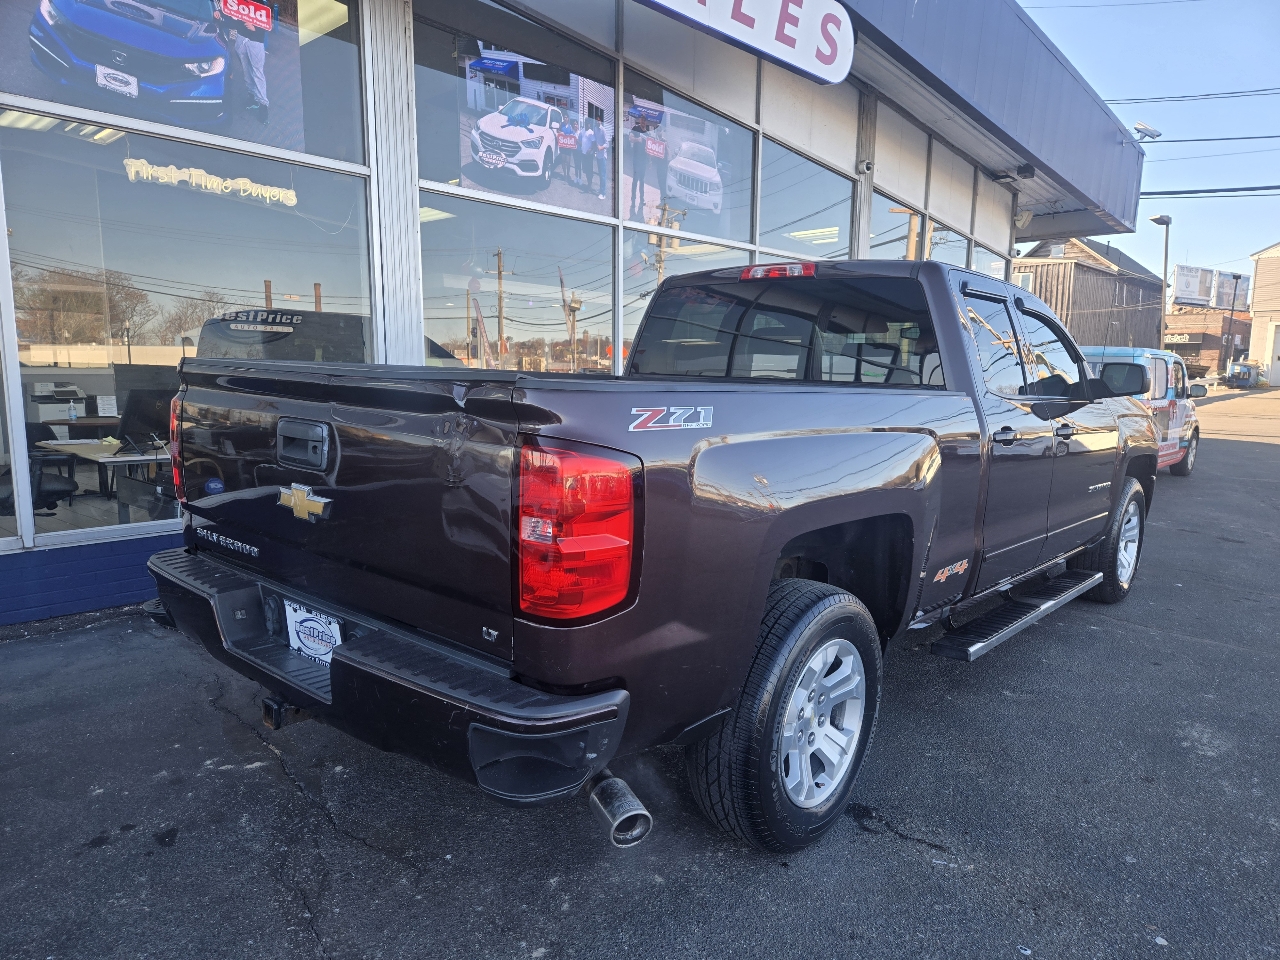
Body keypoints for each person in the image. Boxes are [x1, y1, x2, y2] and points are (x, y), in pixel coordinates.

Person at [234, 19, 269, 123]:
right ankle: (252, 98)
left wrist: (257, 28)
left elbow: (267, 17)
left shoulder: (261, 2)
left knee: (257, 74)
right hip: (241, 37)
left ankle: (263, 106)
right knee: (246, 71)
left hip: (255, 40)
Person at [627, 120, 649, 218]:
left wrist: (650, 161)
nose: (643, 123)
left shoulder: (647, 133)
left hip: (644, 160)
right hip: (636, 159)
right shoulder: (635, 128)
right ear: (640, 121)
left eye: (645, 121)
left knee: (642, 180)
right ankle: (633, 200)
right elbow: (630, 138)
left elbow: (649, 147)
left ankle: (642, 199)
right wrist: (637, 139)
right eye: (642, 120)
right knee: (635, 180)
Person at [557, 118, 579, 184]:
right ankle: (564, 175)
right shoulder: (561, 125)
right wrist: (561, 132)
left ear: (568, 119)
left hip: (569, 147)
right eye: (565, 117)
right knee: (563, 160)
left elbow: (573, 134)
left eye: (567, 117)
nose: (566, 119)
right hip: (563, 146)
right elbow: (558, 131)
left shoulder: (570, 126)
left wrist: (571, 136)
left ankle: (568, 173)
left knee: (568, 161)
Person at [577, 119, 596, 193]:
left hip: (589, 155)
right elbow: (580, 136)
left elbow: (594, 143)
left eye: (588, 123)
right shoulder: (583, 130)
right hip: (583, 153)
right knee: (585, 169)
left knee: (589, 171)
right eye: (586, 123)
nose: (587, 125)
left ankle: (589, 185)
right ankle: (588, 184)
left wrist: (590, 149)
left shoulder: (591, 132)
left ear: (590, 124)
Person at [594, 126, 609, 201]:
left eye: (599, 120)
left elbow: (607, 144)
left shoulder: (603, 130)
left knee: (603, 175)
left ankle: (603, 193)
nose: (597, 121)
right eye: (596, 120)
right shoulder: (595, 129)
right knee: (600, 174)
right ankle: (601, 189)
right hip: (598, 155)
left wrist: (601, 147)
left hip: (603, 156)